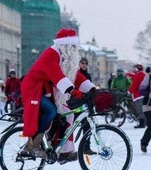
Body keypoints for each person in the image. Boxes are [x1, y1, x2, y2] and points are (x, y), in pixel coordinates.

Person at [20, 28, 95, 161]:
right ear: (64, 45)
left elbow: (75, 76)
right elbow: (56, 74)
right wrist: (72, 90)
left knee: (69, 114)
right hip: (34, 88)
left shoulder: (66, 58)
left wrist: (91, 89)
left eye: (75, 45)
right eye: (72, 45)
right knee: (51, 111)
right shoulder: (51, 54)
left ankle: (64, 151)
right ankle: (33, 145)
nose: (74, 48)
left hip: (48, 89)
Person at [129, 64, 146, 129]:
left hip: (138, 95)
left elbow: (134, 85)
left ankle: (142, 123)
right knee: (143, 109)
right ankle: (144, 122)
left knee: (139, 110)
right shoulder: (144, 75)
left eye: (134, 69)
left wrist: (129, 91)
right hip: (144, 94)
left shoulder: (137, 75)